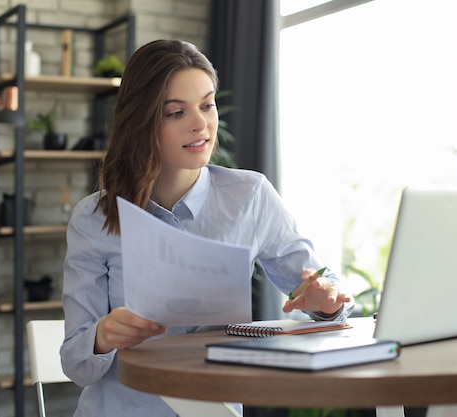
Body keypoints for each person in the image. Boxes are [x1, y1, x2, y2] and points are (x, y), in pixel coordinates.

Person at [60, 39, 355, 417]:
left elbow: (321, 289)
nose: (201, 124)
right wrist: (102, 337)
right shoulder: (93, 218)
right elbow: (75, 363)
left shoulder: (250, 196)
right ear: (142, 120)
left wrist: (325, 302)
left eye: (207, 104)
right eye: (176, 112)